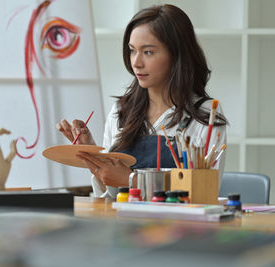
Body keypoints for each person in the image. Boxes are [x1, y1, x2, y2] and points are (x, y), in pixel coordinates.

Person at [56, 4, 228, 198]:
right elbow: (108, 198)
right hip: (124, 225)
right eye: (132, 50)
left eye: (148, 52)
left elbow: (202, 194)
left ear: (177, 56)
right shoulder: (120, 111)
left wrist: (131, 180)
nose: (136, 62)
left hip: (178, 227)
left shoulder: (206, 114)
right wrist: (94, 158)